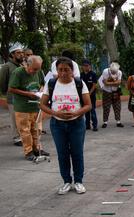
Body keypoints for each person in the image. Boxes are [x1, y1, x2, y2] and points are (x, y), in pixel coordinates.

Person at [39, 57, 92, 195]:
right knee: (62, 154)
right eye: (60, 70)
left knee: (77, 152)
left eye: (66, 70)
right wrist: (55, 113)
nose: (63, 73)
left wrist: (76, 112)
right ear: (56, 70)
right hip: (57, 124)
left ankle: (78, 181)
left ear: (72, 70)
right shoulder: (51, 84)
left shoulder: (80, 83)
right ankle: (66, 182)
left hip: (77, 124)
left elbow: (88, 105)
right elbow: (42, 104)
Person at [8, 55, 47, 161]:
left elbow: (43, 83)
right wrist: (27, 93)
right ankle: (28, 151)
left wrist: (41, 90)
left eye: (38, 69)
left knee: (36, 129)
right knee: (25, 130)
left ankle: (37, 149)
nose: (36, 71)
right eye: (34, 69)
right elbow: (11, 88)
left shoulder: (38, 71)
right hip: (22, 107)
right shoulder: (18, 72)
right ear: (27, 64)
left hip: (35, 105)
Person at [0, 43, 24, 146]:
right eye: (18, 53)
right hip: (12, 97)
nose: (21, 54)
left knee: (22, 118)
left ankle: (23, 136)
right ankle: (16, 138)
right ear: (12, 54)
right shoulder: (6, 66)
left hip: (23, 97)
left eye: (22, 52)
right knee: (14, 118)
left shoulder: (22, 65)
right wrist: (6, 93)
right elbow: (2, 81)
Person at [99, 62, 123, 128]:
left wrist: (109, 82)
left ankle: (118, 121)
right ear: (110, 69)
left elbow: (118, 83)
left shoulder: (119, 72)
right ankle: (105, 122)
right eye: (112, 71)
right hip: (107, 91)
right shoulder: (105, 71)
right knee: (106, 107)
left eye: (115, 71)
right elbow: (105, 83)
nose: (114, 73)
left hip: (116, 91)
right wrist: (114, 83)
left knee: (117, 106)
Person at [80, 59, 98, 131]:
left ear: (90, 66)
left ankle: (95, 125)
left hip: (91, 95)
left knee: (92, 110)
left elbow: (94, 85)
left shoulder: (93, 74)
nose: (85, 67)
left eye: (87, 66)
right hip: (83, 96)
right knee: (86, 111)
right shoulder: (81, 75)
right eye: (84, 66)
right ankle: (87, 125)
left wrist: (89, 93)